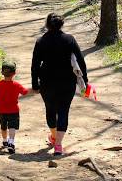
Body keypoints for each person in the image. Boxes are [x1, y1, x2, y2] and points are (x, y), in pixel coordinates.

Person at [31, 13, 88, 156]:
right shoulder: (69, 39)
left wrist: (35, 84)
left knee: (50, 110)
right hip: (67, 81)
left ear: (47, 25)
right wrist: (85, 80)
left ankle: (54, 136)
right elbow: (81, 60)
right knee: (63, 111)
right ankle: (58, 145)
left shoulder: (41, 41)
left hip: (47, 82)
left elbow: (35, 65)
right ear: (61, 25)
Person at [0, 60, 38, 154]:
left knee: (3, 127)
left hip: (2, 110)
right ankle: (11, 142)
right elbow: (25, 92)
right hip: (13, 110)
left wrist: (1, 97)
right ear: (14, 73)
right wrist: (36, 91)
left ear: (2, 73)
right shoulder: (16, 85)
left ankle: (4, 140)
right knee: (12, 127)